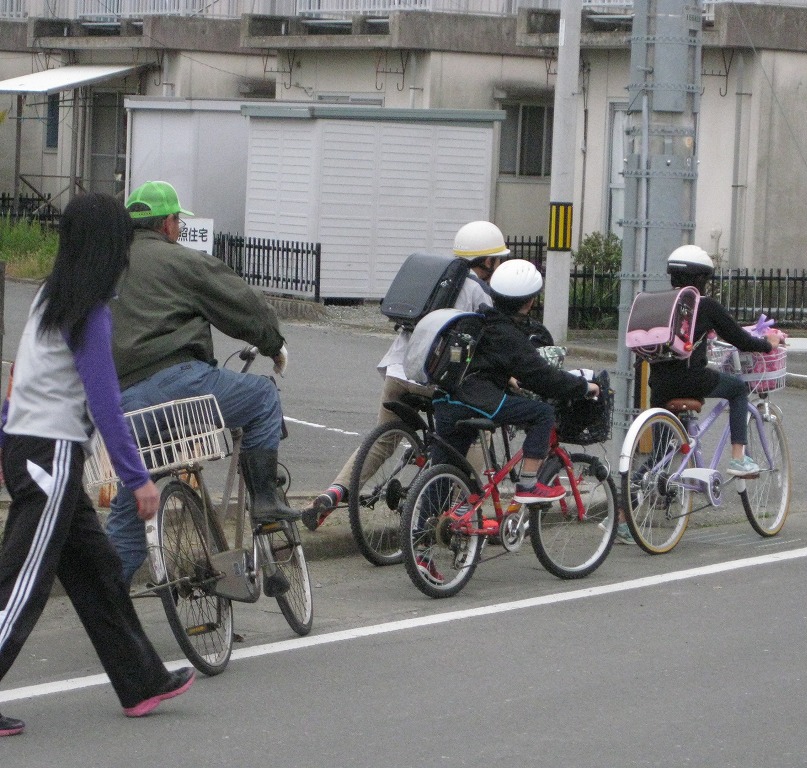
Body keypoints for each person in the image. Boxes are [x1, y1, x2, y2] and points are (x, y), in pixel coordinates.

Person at [0, 193, 195, 737]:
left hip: (29, 447)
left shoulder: (50, 297)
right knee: (22, 583)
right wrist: (138, 480)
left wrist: (3, 441)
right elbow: (105, 402)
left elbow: (20, 378)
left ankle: (141, 681)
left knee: (99, 572)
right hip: (51, 454)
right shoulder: (90, 312)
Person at [104, 180, 294, 585]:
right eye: (176, 221)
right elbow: (241, 304)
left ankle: (105, 600)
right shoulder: (181, 261)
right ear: (169, 224)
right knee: (262, 397)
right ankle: (264, 500)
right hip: (182, 386)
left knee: (133, 502)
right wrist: (273, 344)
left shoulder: (104, 266)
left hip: (122, 409)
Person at [302, 220, 509, 531]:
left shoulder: (435, 280)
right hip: (434, 377)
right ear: (489, 260)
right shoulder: (479, 293)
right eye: (499, 258)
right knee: (479, 432)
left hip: (399, 371)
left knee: (383, 440)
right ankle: (462, 510)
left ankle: (334, 492)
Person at [431, 259, 600, 503]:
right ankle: (529, 485)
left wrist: (507, 378)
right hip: (477, 399)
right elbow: (543, 378)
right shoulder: (510, 335)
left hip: (446, 396)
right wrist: (584, 386)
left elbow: (484, 361)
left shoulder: (478, 319)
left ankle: (421, 529)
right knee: (541, 413)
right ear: (530, 301)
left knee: (446, 470)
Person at [647, 245, 783, 476]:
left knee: (660, 454)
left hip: (659, 384)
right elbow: (742, 340)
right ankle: (739, 459)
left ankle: (630, 498)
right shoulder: (704, 305)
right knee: (739, 389)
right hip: (692, 380)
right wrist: (768, 344)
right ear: (702, 279)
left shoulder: (659, 303)